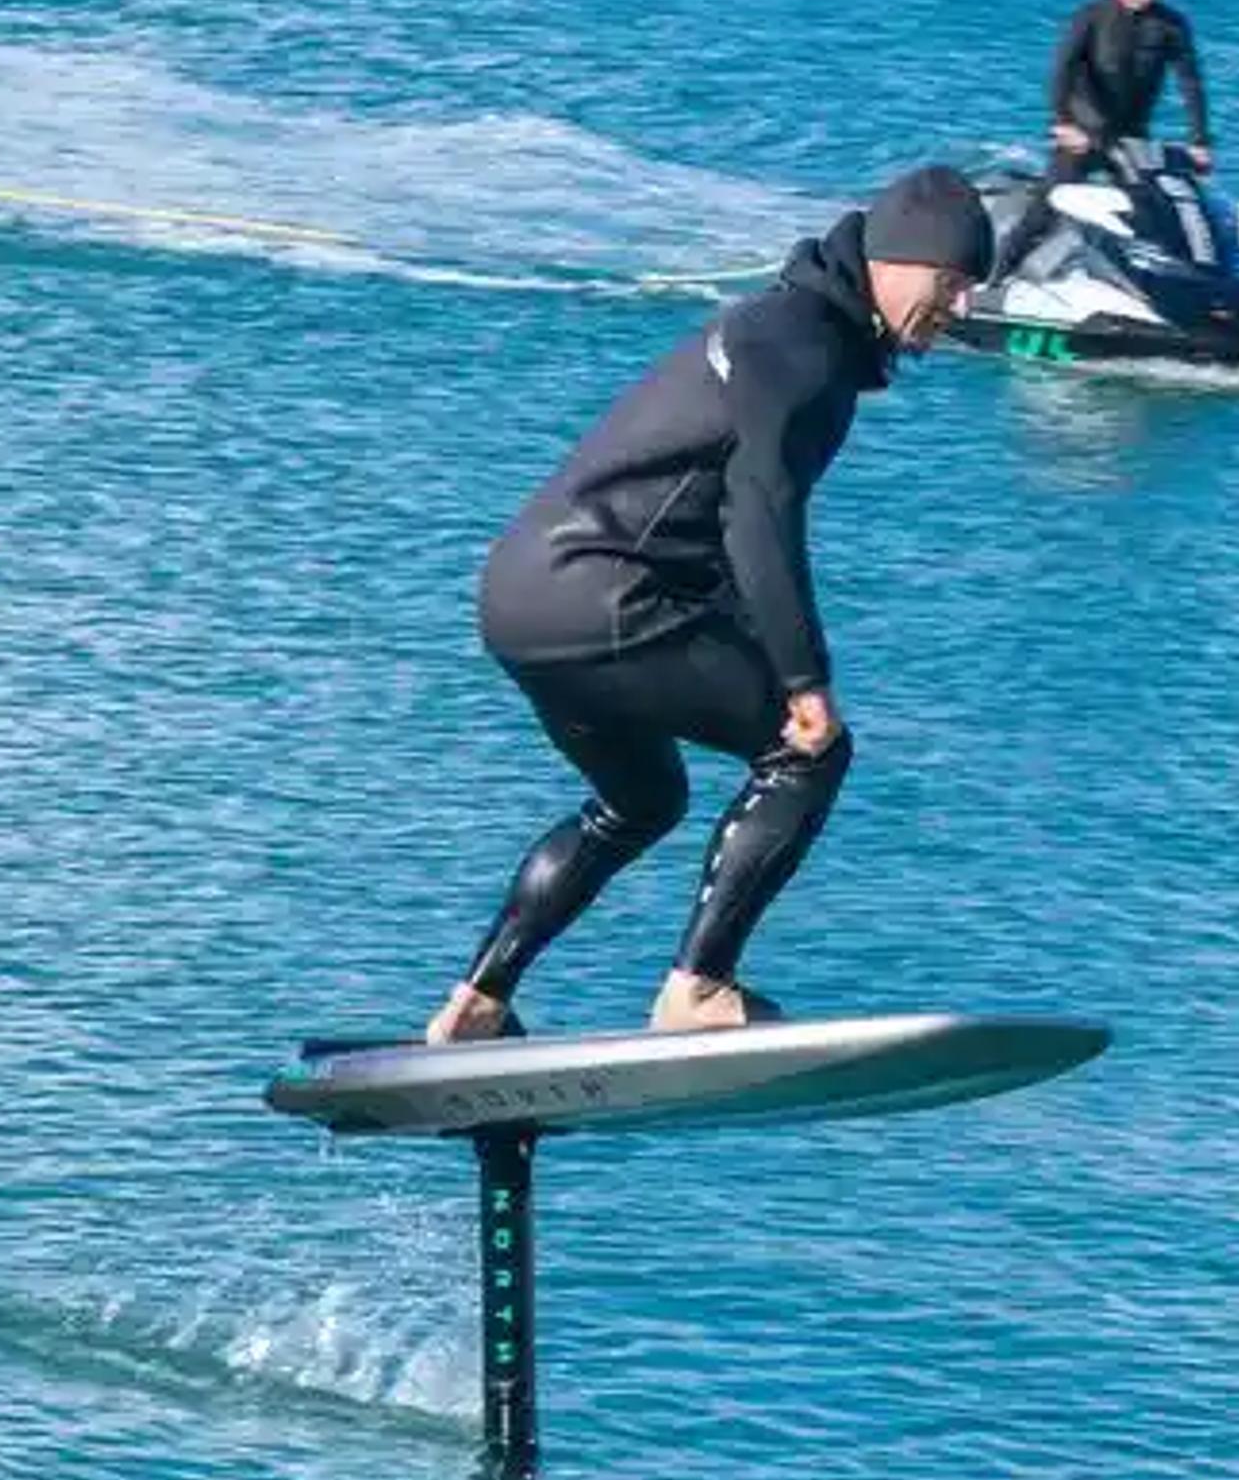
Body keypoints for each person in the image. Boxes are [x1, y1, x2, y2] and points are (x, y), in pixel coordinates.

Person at [423, 167, 995, 1043]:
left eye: (969, 289)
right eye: (950, 282)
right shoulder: (806, 352)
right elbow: (758, 516)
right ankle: (698, 988)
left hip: (522, 596)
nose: (958, 306)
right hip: (602, 592)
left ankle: (476, 1003)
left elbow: (717, 517)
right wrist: (804, 681)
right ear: (894, 259)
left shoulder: (777, 329)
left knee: (639, 800)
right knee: (807, 752)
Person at [1003, 0, 1213, 276]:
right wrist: (1063, 123)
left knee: (1151, 213)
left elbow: (1191, 83)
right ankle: (996, 275)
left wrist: (1200, 141)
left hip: (1131, 137)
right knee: (1048, 203)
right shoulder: (1092, 17)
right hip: (1084, 133)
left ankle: (1160, 292)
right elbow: (1062, 70)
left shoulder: (1171, 26)